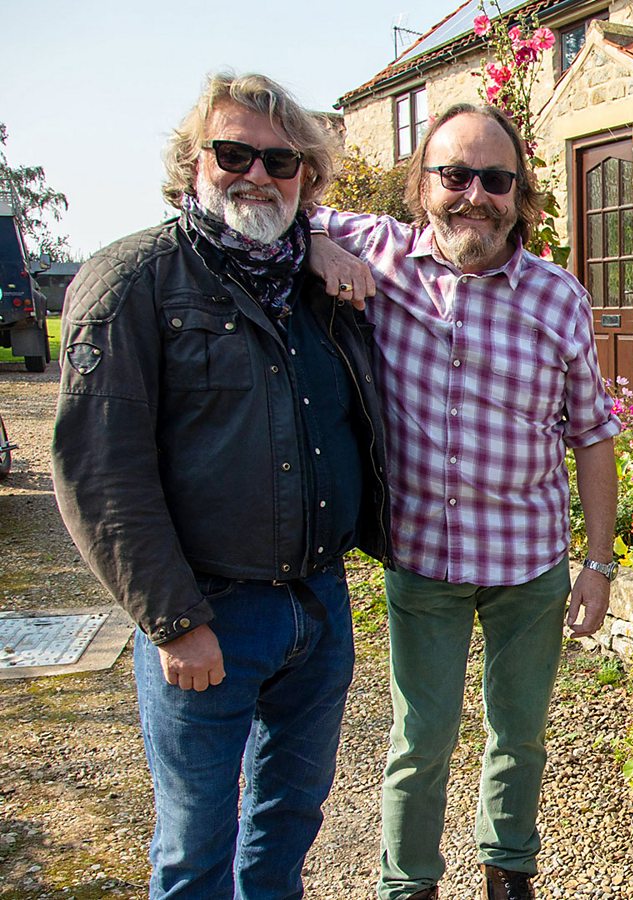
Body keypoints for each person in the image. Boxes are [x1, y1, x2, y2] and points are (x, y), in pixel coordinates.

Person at [52, 72, 388, 898]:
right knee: (197, 837)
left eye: (281, 161)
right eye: (233, 153)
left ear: (307, 176)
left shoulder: (320, 283)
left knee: (290, 816)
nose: (257, 175)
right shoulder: (131, 282)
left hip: (317, 603)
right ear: (191, 165)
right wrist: (171, 621)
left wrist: (319, 245)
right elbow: (101, 471)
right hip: (207, 613)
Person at [305, 103, 620, 900]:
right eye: (454, 175)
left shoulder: (559, 298)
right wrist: (313, 244)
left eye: (495, 179)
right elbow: (279, 206)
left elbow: (592, 434)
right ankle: (407, 886)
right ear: (423, 185)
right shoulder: (382, 253)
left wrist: (598, 563)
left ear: (519, 193)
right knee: (421, 739)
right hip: (426, 561)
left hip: (529, 565)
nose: (473, 194)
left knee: (519, 737)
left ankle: (508, 873)